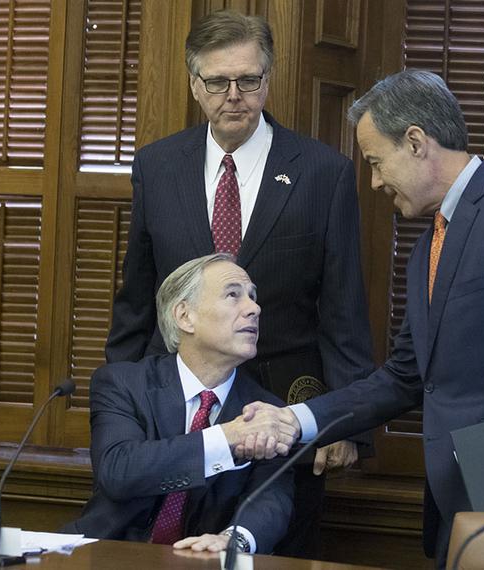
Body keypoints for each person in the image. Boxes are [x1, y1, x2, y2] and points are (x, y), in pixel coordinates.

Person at [241, 69, 484, 568]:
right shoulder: (428, 243)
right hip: (456, 504)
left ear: (415, 142)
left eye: (375, 162)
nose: (374, 180)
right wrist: (296, 419)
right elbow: (405, 376)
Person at [104, 9, 375, 557]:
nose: (235, 95)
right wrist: (118, 405)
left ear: (266, 81)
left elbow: (344, 308)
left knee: (269, 548)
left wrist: (346, 422)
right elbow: (136, 297)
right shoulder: (157, 166)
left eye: (248, 80)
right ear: (194, 85)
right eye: (218, 82)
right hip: (173, 412)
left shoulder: (323, 172)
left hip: (282, 413)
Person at [64, 254, 297, 554]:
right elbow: (119, 470)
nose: (254, 308)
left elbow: (272, 499)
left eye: (252, 297)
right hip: (107, 553)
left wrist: (234, 540)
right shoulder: (123, 383)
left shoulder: (266, 411)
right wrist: (225, 439)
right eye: (233, 295)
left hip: (201, 561)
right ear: (185, 316)